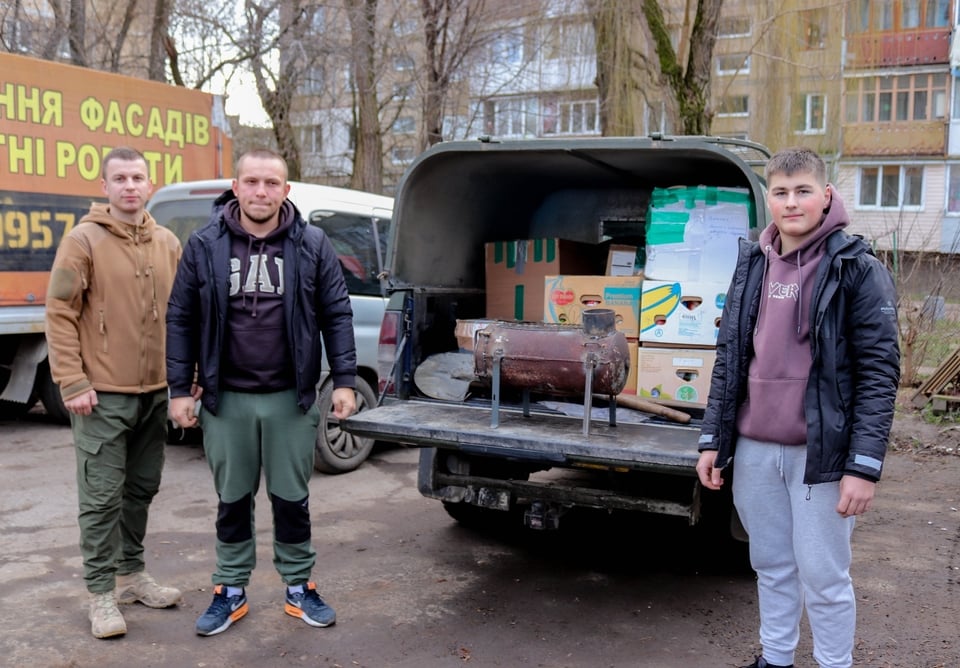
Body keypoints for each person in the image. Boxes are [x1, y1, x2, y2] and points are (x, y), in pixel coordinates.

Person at [695, 147, 900, 668]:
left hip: (822, 456)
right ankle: (776, 660)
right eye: (781, 192)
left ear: (826, 195)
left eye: (803, 190)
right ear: (769, 197)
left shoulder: (857, 267)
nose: (792, 202)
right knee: (771, 566)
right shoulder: (753, 264)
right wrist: (712, 439)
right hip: (756, 448)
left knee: (824, 576)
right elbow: (730, 358)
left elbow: (879, 374)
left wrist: (864, 466)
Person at [166, 148, 358, 637]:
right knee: (233, 499)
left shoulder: (312, 244)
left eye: (271, 183)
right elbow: (180, 317)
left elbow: (336, 315)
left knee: (291, 498)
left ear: (286, 191)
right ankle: (229, 590)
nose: (260, 192)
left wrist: (344, 380)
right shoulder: (204, 244)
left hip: (288, 399)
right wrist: (178, 389)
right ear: (235, 186)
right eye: (251, 181)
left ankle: (299, 587)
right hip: (224, 398)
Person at [45, 146, 184, 639]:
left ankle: (132, 575)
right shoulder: (82, 241)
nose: (130, 185)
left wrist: (186, 380)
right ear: (104, 186)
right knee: (102, 498)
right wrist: (73, 380)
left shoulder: (168, 243)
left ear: (150, 185)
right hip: (102, 396)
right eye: (120, 178)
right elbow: (59, 313)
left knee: (141, 489)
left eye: (137, 177)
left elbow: (184, 317)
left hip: (156, 392)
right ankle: (101, 593)